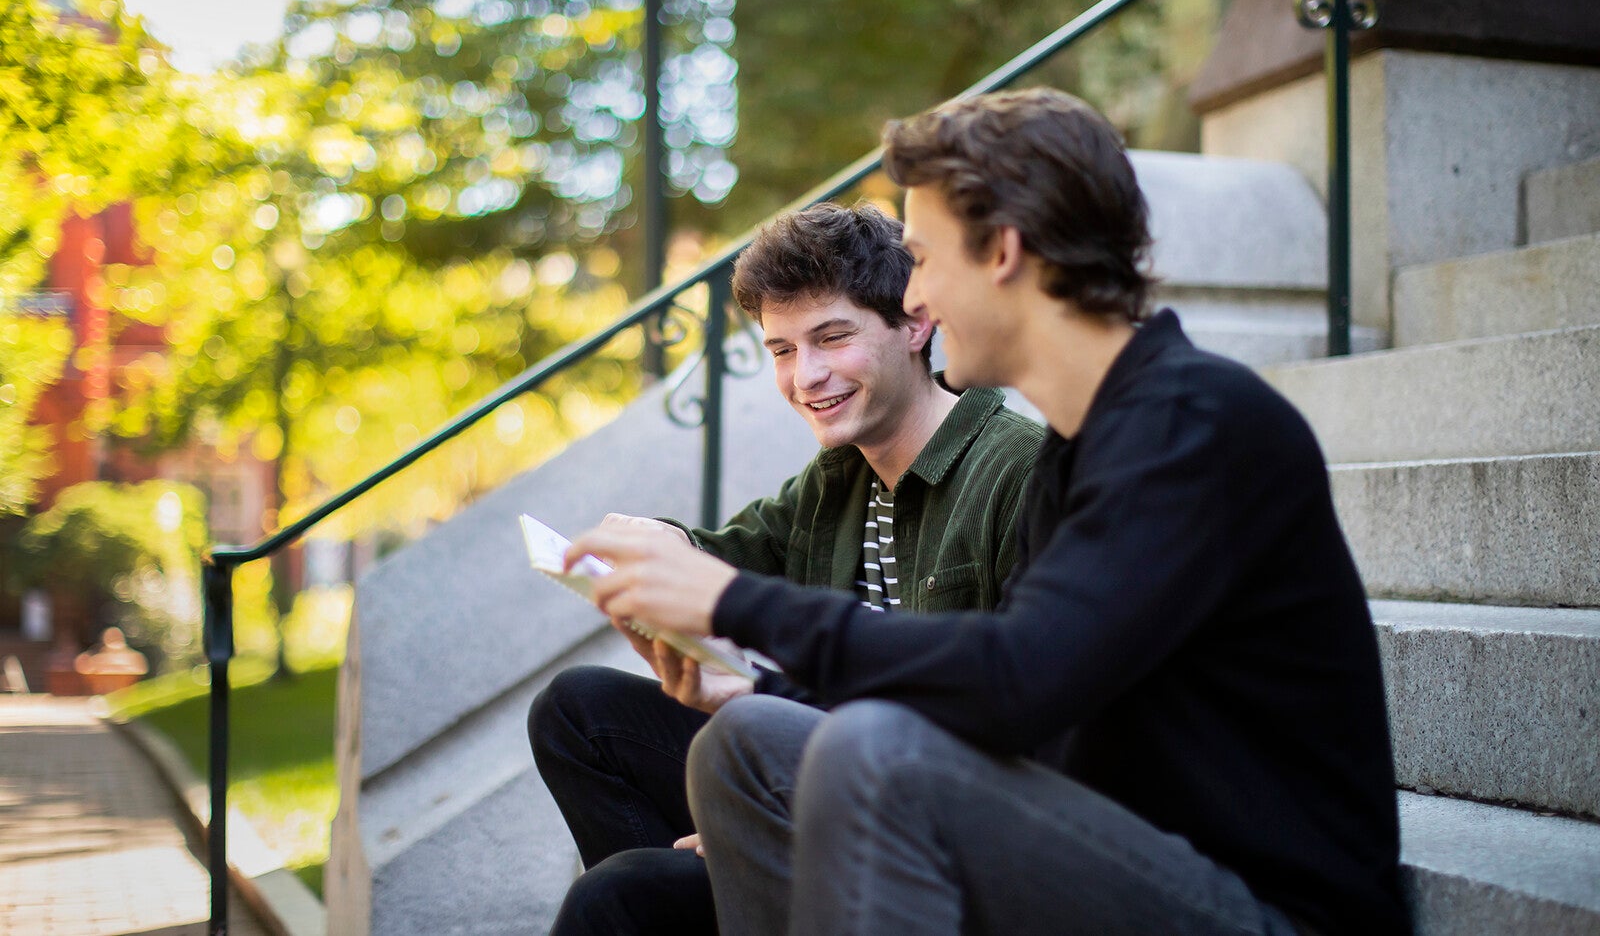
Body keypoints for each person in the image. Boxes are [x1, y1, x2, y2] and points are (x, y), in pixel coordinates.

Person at [569, 88, 1409, 935]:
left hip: (1262, 908)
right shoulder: (1079, 452)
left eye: (925, 260)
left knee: (873, 757)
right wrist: (763, 682)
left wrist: (729, 602)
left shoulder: (1196, 425)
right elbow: (1025, 718)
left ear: (1003, 250)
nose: (918, 299)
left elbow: (1016, 679)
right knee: (745, 741)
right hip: (1101, 847)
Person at [528, 200, 1043, 935]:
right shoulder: (838, 478)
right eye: (781, 350)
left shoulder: (1015, 470)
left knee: (617, 896)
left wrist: (759, 816)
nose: (807, 375)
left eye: (832, 338)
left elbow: (1016, 719)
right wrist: (653, 544)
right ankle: (731, 897)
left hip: (933, 807)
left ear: (914, 324)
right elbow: (728, 558)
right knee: (577, 710)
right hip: (807, 760)